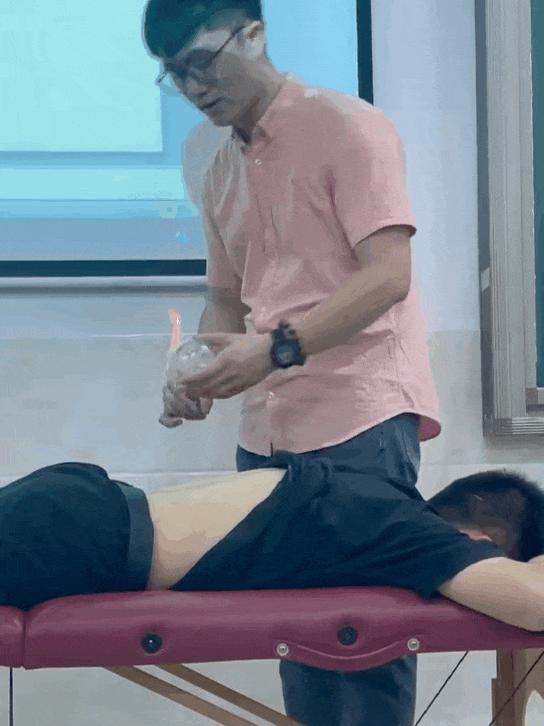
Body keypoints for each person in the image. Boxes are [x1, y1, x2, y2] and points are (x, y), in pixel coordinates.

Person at [144, 2, 441, 724]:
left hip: (360, 421)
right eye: (175, 74)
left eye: (202, 63)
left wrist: (276, 350)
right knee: (301, 648)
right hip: (267, 437)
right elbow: (225, 297)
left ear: (254, 34)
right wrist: (197, 371)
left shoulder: (348, 127)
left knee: (364, 648)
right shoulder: (209, 159)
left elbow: (387, 276)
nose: (194, 87)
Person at [2, 456, 544, 642]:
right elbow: (536, 604)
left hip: (80, 509)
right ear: (484, 541)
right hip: (81, 538)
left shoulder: (377, 493)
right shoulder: (413, 532)